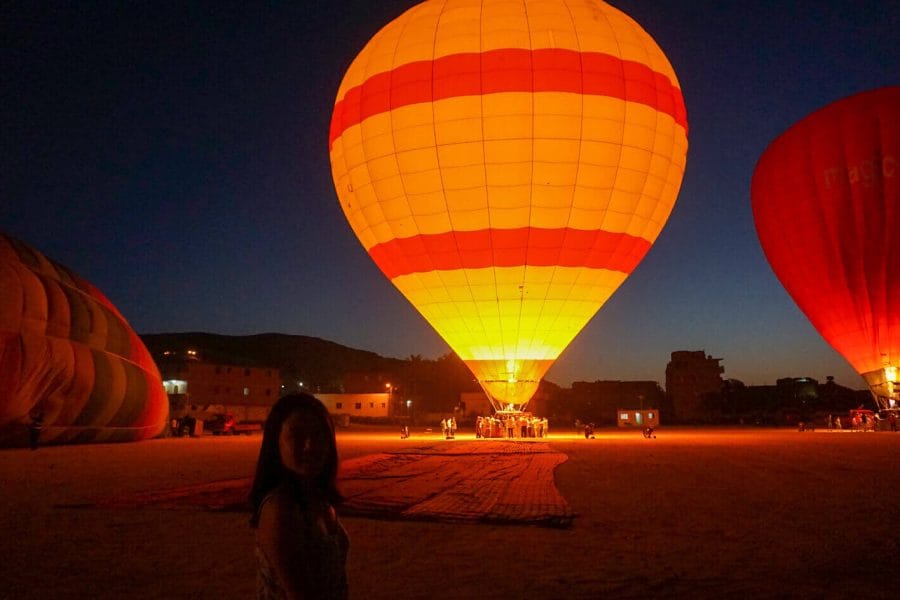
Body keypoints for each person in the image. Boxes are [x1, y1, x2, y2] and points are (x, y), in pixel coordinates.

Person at [249, 393, 349, 600]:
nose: (309, 445)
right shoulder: (281, 509)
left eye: (318, 435)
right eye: (297, 435)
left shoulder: (317, 498)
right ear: (275, 441)